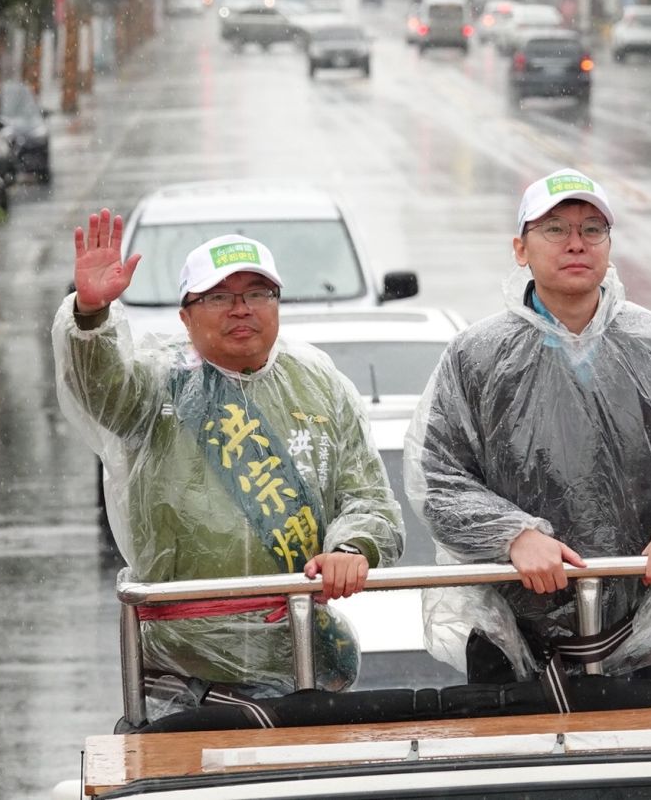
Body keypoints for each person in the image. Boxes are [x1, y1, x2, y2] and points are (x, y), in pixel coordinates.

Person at [404, 169, 651, 685]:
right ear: (520, 249)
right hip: (514, 636)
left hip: (648, 631)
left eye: (592, 229)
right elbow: (438, 479)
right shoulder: (476, 356)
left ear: (609, 245)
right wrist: (513, 535)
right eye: (555, 229)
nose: (576, 243)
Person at [53, 209, 403, 718]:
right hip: (184, 674)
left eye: (257, 294)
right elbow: (99, 391)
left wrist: (351, 548)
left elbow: (369, 499)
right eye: (218, 297)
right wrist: (91, 314)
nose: (241, 309)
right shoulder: (157, 383)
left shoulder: (321, 384)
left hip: (302, 660)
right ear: (186, 315)